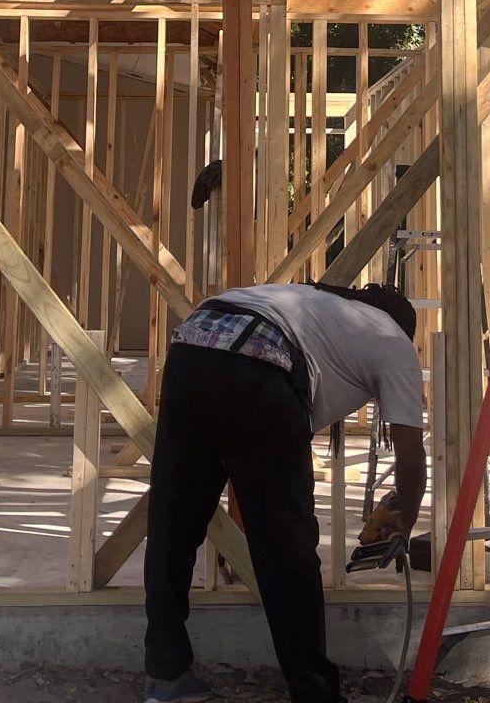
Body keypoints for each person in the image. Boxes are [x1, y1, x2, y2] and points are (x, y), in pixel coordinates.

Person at [143, 280, 427, 703]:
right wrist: (406, 514)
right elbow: (409, 451)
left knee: (174, 524)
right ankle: (314, 693)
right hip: (259, 362)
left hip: (192, 346)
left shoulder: (319, 309)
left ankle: (166, 677)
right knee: (286, 545)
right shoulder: (394, 339)